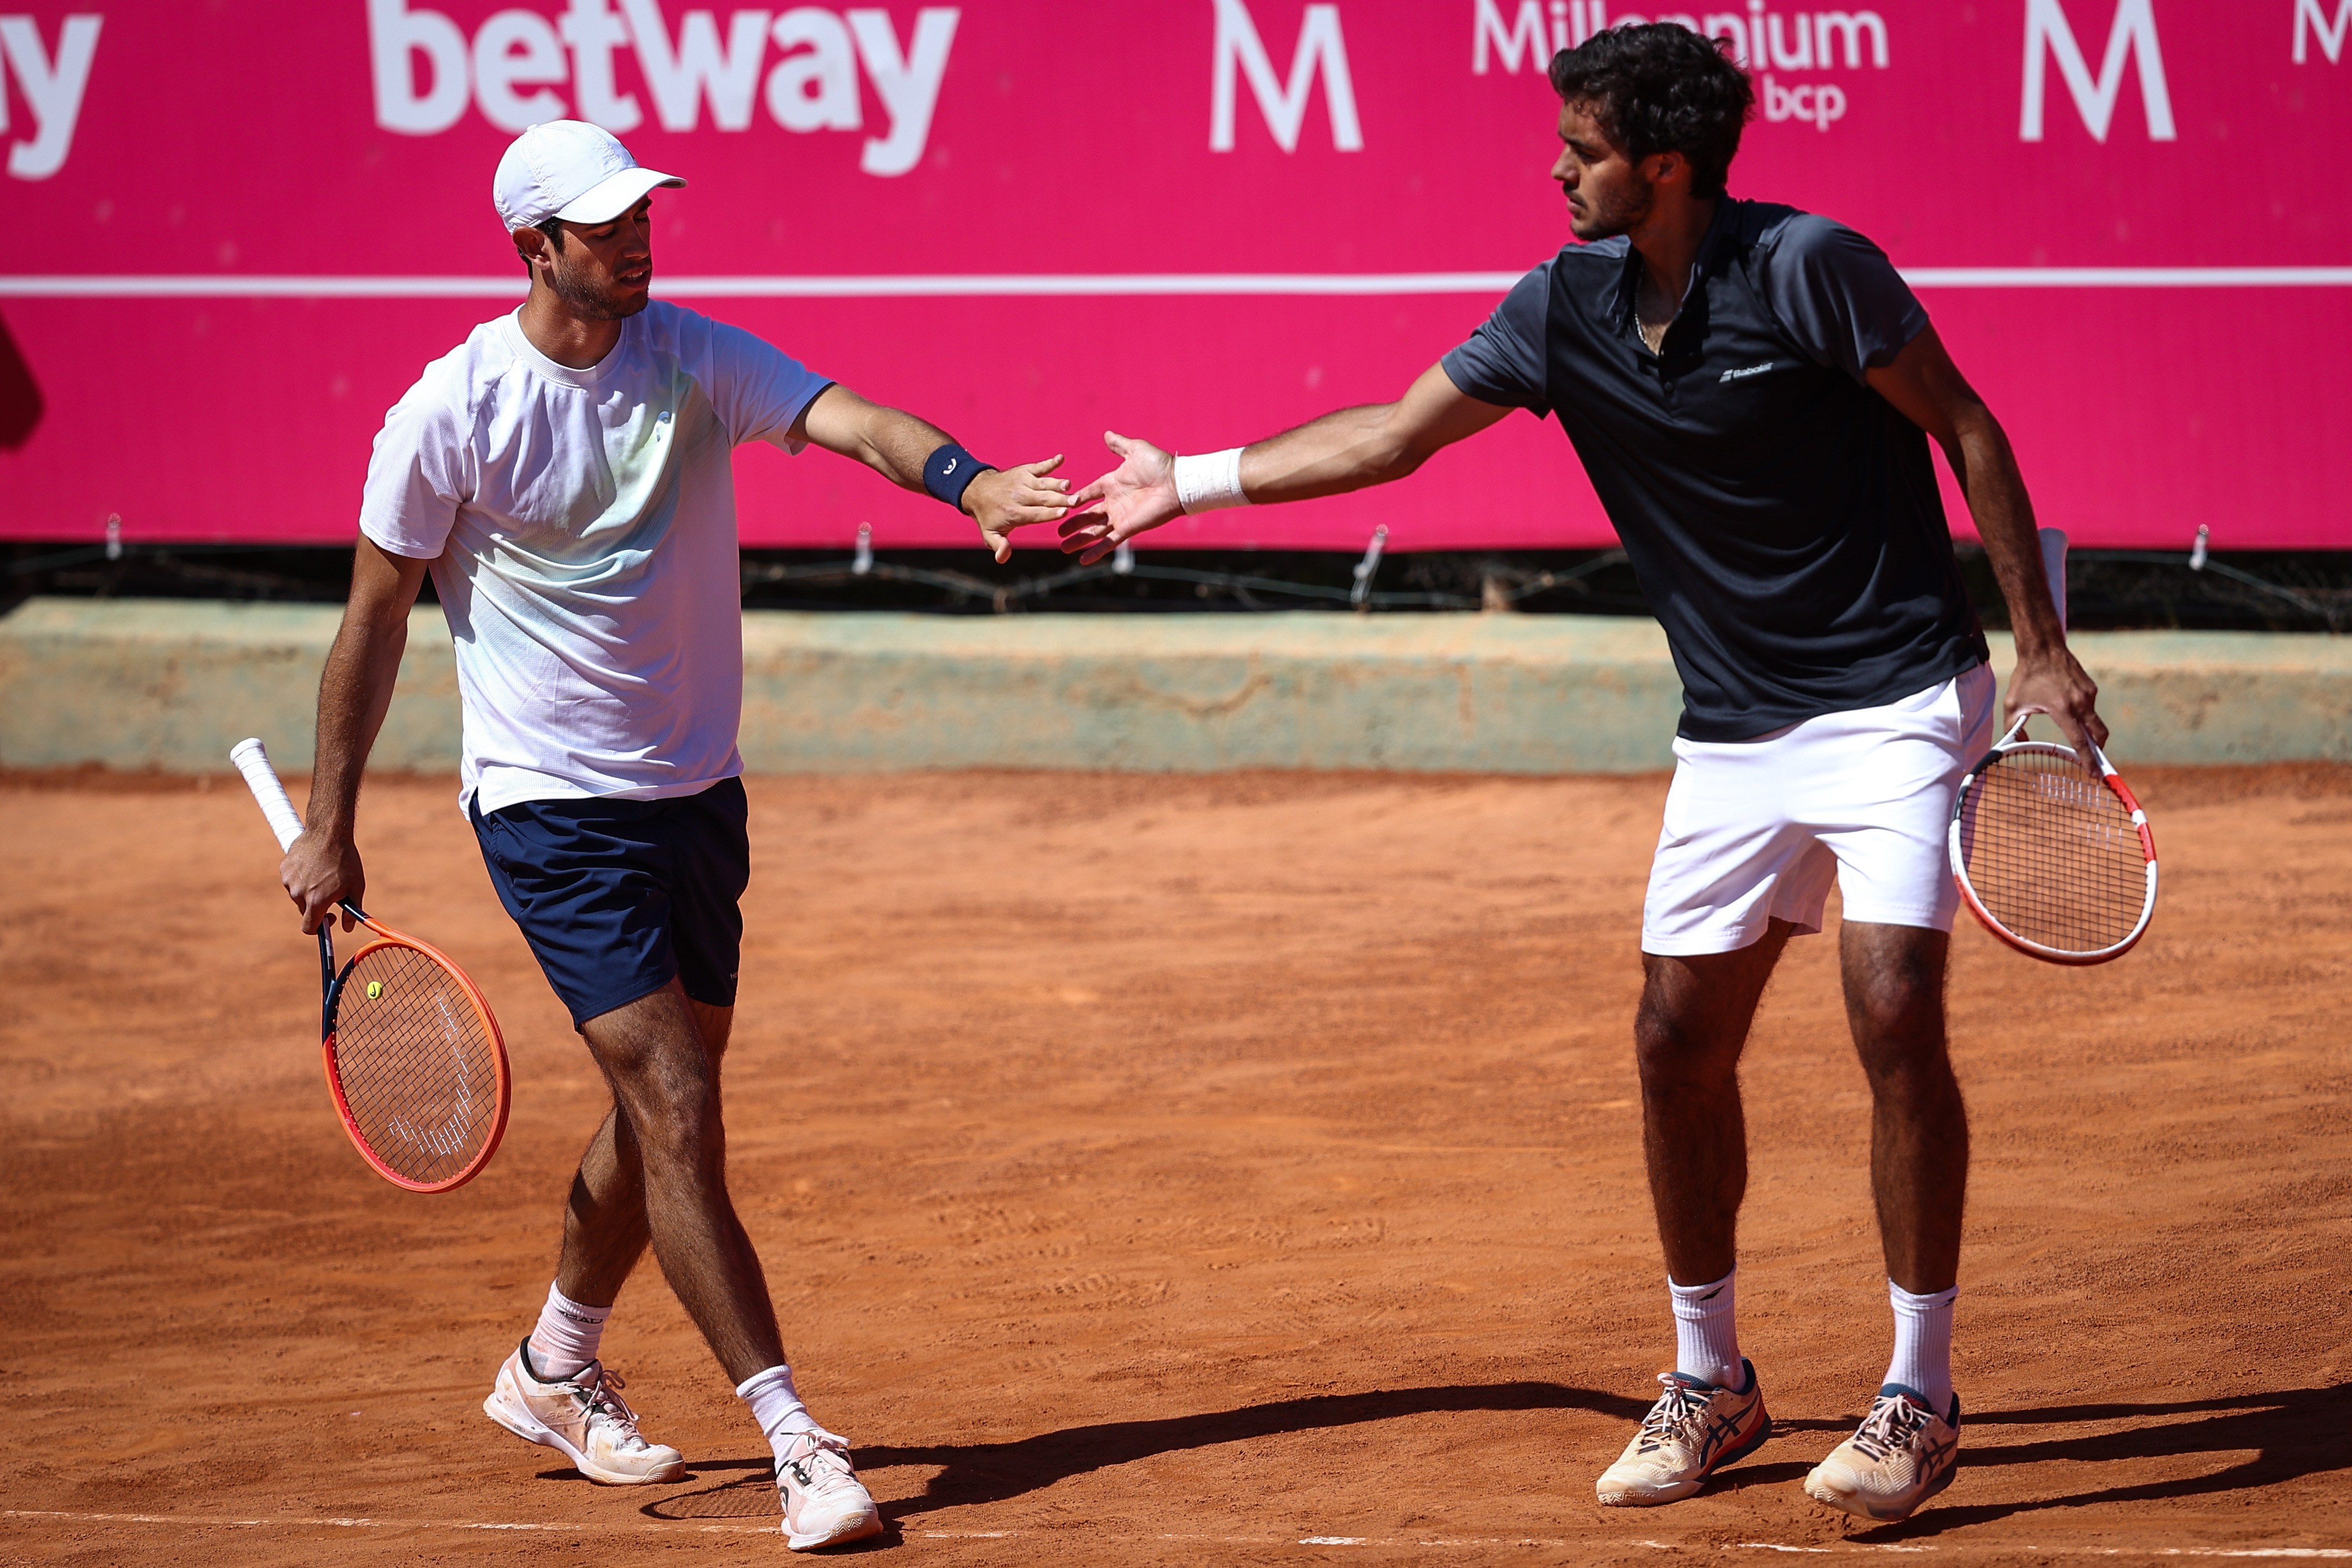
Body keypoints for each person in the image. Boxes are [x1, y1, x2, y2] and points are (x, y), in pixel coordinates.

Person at [1060, 24, 2105, 1524]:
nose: (1557, 169)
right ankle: (1712, 1375)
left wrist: (2039, 649)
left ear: (1662, 167)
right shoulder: (1563, 307)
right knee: (1676, 1037)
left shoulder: (1813, 267)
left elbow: (1969, 429)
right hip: (1735, 725)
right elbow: (1394, 436)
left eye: (1585, 150)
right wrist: (1191, 482)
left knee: (1892, 1008)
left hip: (1891, 697)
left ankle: (1919, 1391)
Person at [276, 120, 1074, 1551]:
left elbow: (853, 422)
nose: (640, 237)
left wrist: (971, 484)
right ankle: (796, 1436)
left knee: (666, 1108)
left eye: (645, 213)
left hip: (698, 794)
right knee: (680, 1105)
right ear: (537, 248)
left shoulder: (696, 355)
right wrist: (328, 824)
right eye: (607, 224)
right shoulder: (451, 409)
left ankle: (551, 1366)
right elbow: (375, 617)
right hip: (546, 804)